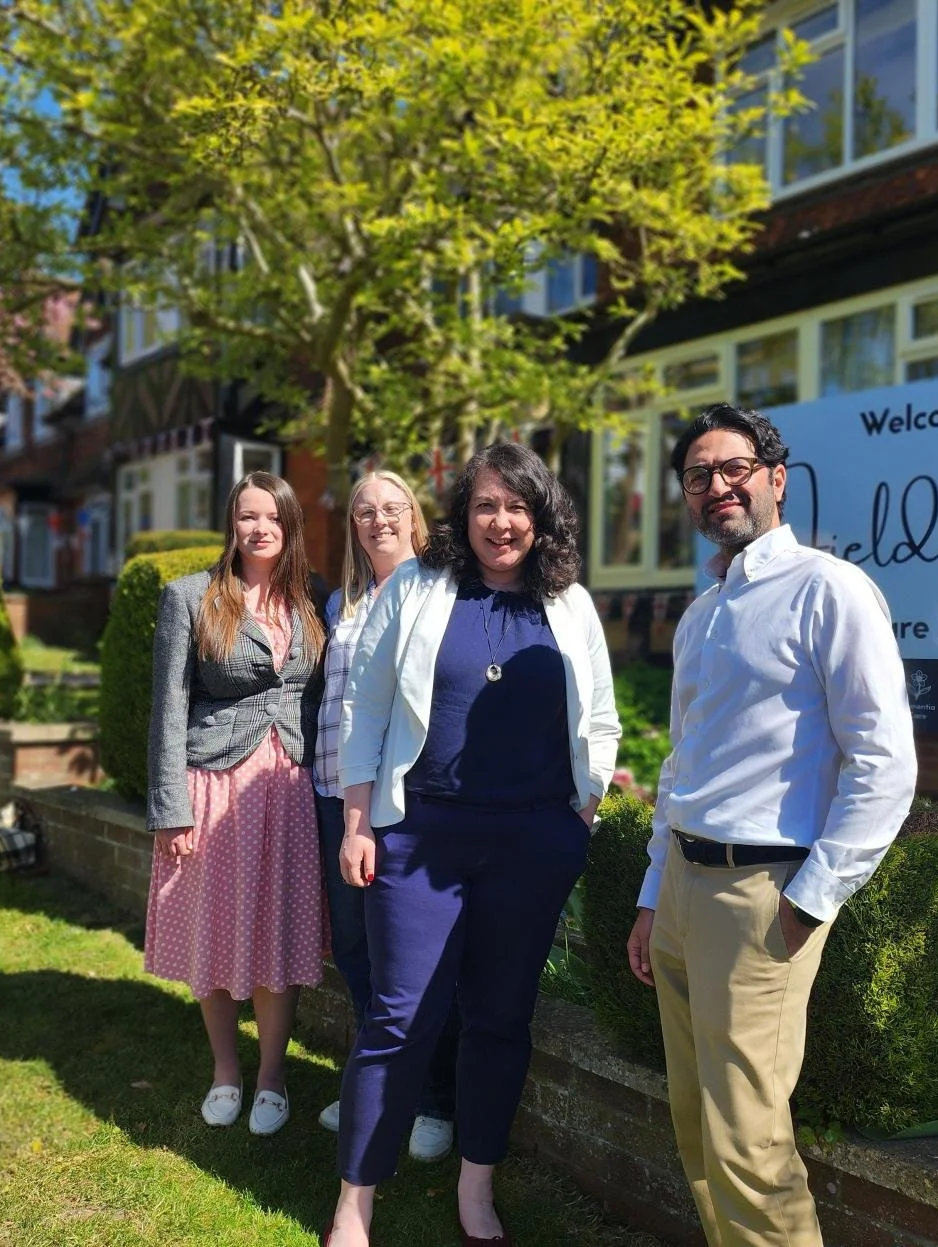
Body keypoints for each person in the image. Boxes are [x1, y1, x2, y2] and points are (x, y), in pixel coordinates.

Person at [625, 403, 917, 1247]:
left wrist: (810, 898)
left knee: (749, 1139)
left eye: (732, 468)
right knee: (696, 1125)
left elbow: (882, 761)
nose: (716, 486)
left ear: (774, 479)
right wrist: (653, 893)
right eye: (697, 475)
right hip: (684, 886)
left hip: (761, 895)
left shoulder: (828, 589)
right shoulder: (703, 612)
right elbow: (682, 763)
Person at [325, 442, 620, 1247]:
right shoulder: (418, 589)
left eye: (517, 505)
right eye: (486, 504)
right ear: (463, 513)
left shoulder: (569, 603)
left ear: (541, 516)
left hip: (532, 842)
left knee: (499, 1017)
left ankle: (476, 1187)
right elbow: (366, 708)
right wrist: (357, 822)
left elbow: (599, 716)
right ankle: (355, 1201)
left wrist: (580, 814)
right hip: (420, 834)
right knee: (397, 1018)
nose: (501, 521)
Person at [142, 470, 326, 1138]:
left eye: (271, 517)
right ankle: (226, 1069)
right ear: (231, 523)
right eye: (247, 516)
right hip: (212, 785)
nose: (259, 528)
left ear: (288, 524)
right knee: (210, 929)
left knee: (282, 930)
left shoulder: (314, 597)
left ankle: (273, 1075)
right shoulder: (188, 596)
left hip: (289, 788)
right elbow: (167, 710)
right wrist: (169, 809)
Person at [311, 470, 461, 1163]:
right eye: (365, 511)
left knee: (410, 955)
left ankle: (429, 1097)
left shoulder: (438, 590)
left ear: (414, 516)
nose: (378, 520)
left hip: (401, 801)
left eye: (392, 508)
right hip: (333, 794)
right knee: (354, 947)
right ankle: (380, 1079)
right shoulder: (344, 598)